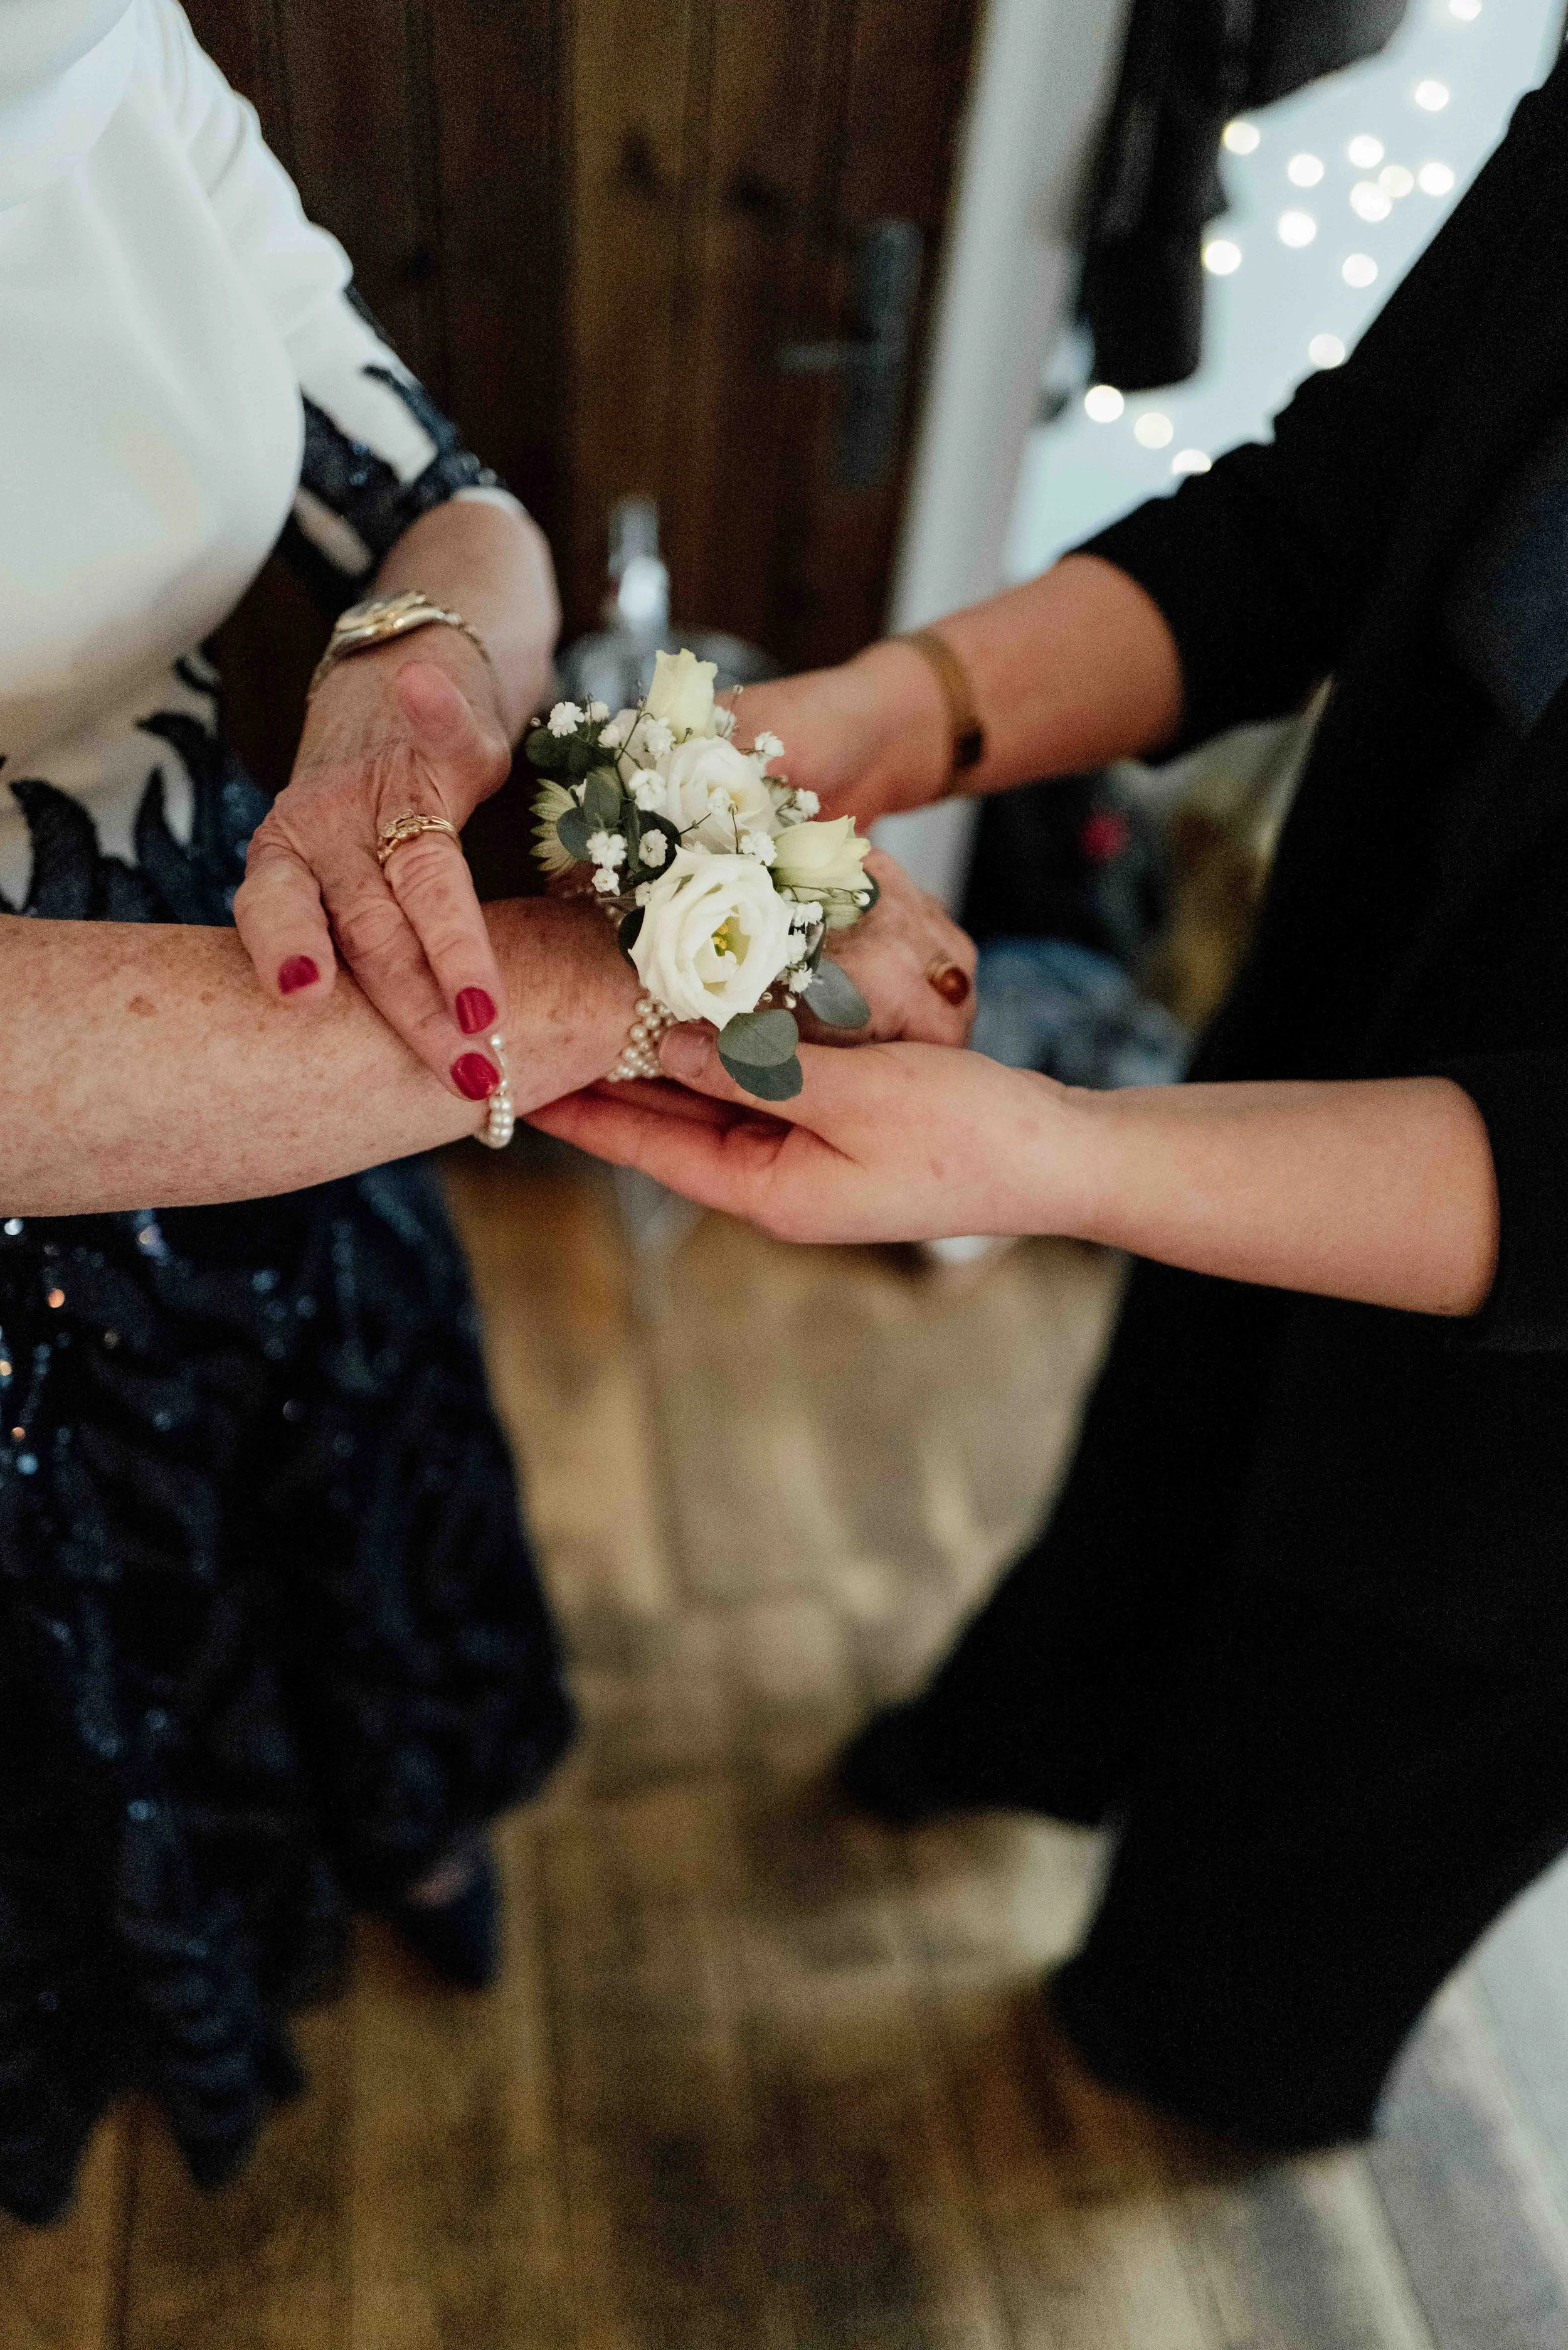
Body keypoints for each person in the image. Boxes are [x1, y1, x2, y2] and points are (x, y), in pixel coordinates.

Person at [535, 43, 1568, 2152]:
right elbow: (1325, 511)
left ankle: (1177, 2051)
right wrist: (879, 720)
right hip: (1378, 943)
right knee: (1175, 1434)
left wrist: (1058, 1150)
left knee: (1331, 1775)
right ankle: (1027, 1729)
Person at [0, 0, 973, 2224]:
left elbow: (439, 498)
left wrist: (405, 688)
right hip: (148, 1084)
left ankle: (393, 1827)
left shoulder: (91, 42)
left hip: (263, 963)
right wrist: (640, 968)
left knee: (341, 1482)